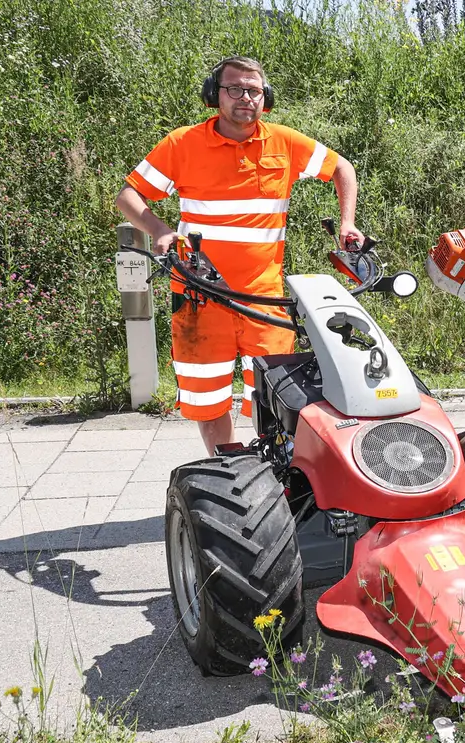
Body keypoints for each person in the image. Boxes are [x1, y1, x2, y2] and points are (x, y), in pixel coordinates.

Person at [117, 56, 363, 455]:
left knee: (279, 397)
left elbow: (342, 169)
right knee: (207, 399)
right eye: (235, 89)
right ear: (215, 95)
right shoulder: (183, 143)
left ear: (266, 98)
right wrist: (160, 231)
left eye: (254, 90)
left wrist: (347, 223)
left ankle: (275, 475)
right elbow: (128, 196)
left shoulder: (284, 141)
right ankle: (227, 469)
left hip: (264, 300)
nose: (245, 98)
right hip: (199, 297)